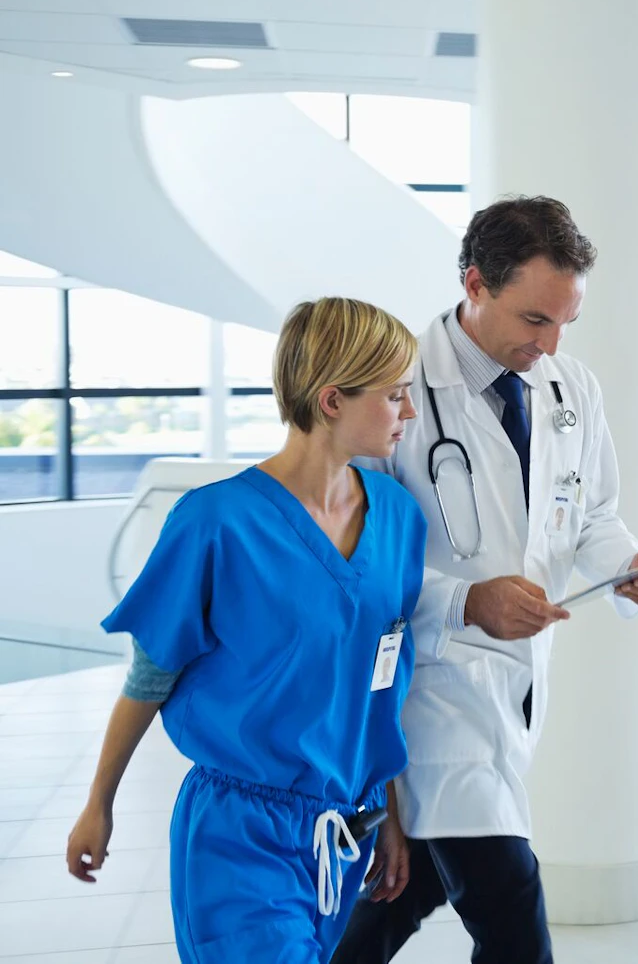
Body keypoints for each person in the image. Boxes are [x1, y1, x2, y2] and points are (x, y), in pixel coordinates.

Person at [331, 196, 638, 964]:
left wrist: (628, 566)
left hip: (515, 690)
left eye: (564, 324)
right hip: (427, 694)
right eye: (533, 320)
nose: (550, 343)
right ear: (476, 285)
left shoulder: (570, 389)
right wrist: (465, 599)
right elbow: (352, 556)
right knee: (513, 916)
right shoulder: (396, 389)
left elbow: (591, 515)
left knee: (409, 888)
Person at [65, 298, 428, 964]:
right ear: (331, 400)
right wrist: (99, 802)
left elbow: (381, 685)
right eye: (396, 395)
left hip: (345, 830)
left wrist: (394, 817)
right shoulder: (215, 522)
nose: (409, 412)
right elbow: (150, 675)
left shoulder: (400, 519)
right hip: (238, 833)